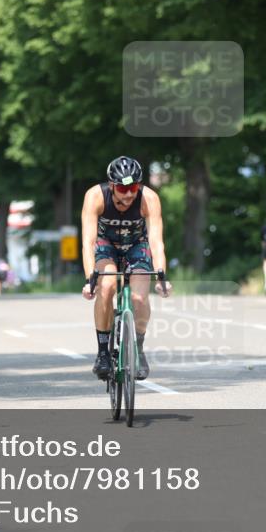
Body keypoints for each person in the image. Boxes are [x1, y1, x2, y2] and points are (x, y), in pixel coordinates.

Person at [81, 156, 169, 381]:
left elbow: (156, 242)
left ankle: (137, 348)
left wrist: (161, 276)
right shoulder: (95, 196)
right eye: (122, 188)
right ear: (112, 185)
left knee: (139, 298)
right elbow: (88, 242)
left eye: (133, 187)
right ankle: (103, 353)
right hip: (106, 245)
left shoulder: (149, 198)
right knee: (107, 286)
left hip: (136, 245)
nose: (129, 194)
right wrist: (90, 280)